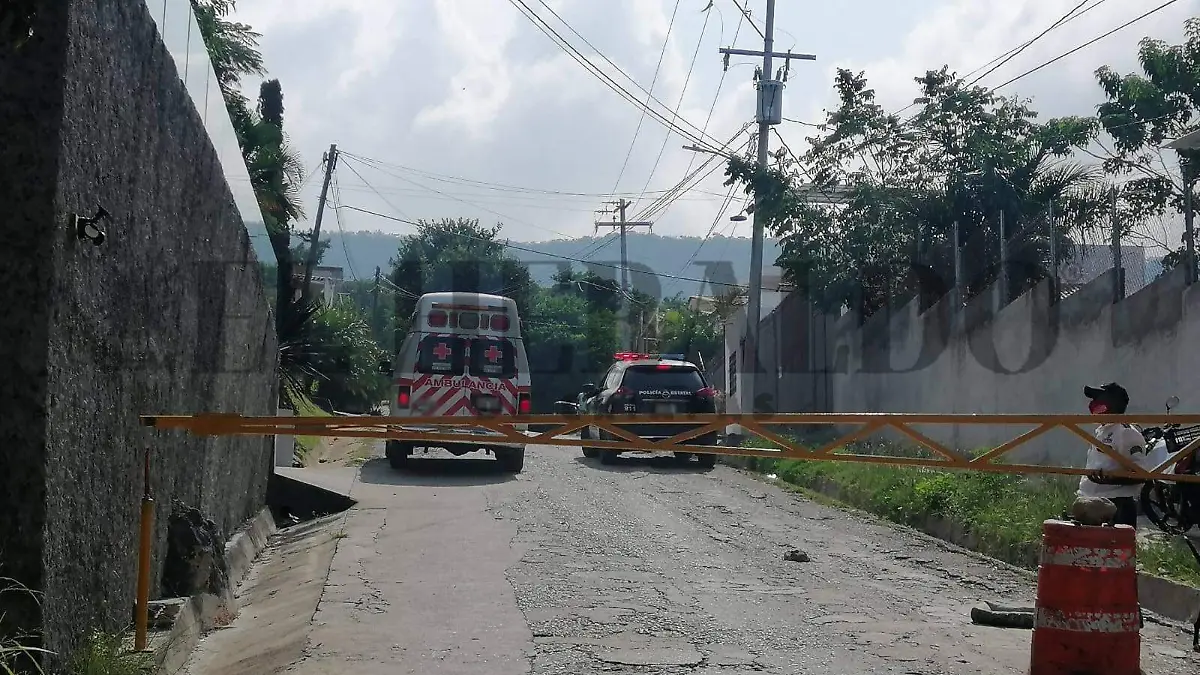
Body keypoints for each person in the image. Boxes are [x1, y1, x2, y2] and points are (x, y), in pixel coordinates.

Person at [1077, 382, 1151, 527]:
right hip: (1092, 501)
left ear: (1112, 403)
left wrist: (1110, 479)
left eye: (1098, 399)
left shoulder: (1126, 432)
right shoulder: (1102, 431)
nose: (1093, 404)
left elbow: (1141, 474)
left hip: (1116, 504)